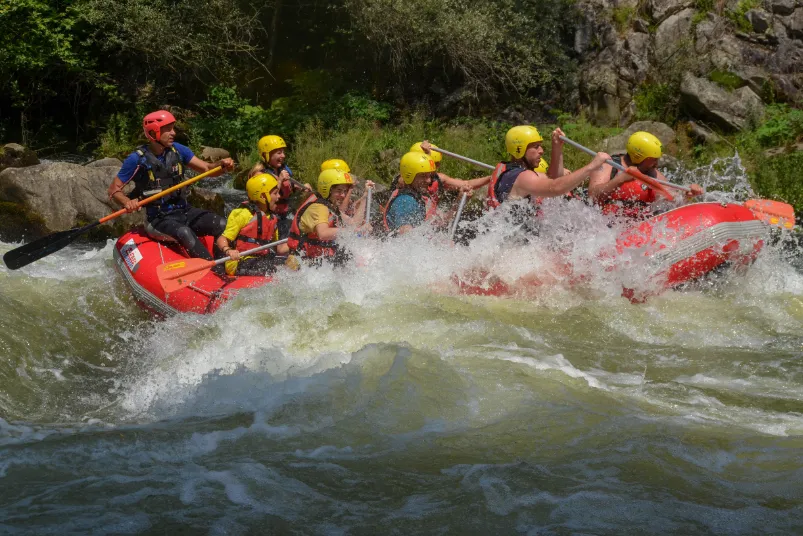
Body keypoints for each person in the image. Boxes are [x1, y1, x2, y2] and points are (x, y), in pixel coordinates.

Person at [108, 110, 234, 261]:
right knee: (184, 232)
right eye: (168, 129)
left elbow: (207, 169)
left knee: (222, 224)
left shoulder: (178, 150)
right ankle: (213, 269)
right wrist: (127, 202)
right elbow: (114, 190)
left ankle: (225, 265)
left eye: (173, 128)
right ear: (153, 132)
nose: (173, 133)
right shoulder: (136, 159)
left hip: (184, 211)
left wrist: (221, 166)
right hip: (158, 219)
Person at [486, 126, 610, 208]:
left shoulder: (510, 172)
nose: (541, 151)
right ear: (520, 150)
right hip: (517, 245)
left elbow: (552, 178)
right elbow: (556, 188)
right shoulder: (522, 177)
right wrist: (591, 167)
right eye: (535, 147)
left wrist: (557, 147)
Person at [588, 131, 704, 218]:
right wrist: (619, 180)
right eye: (653, 160)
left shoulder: (652, 173)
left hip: (640, 228)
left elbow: (672, 199)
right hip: (606, 225)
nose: (656, 164)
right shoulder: (609, 166)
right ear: (639, 157)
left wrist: (687, 195)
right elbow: (593, 197)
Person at [288, 168, 371, 264]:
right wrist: (356, 230)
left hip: (318, 260)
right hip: (304, 262)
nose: (343, 195)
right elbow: (323, 233)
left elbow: (354, 223)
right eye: (339, 191)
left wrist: (365, 196)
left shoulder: (330, 207)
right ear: (327, 189)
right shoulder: (319, 208)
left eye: (345, 191)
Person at [216, 173, 290, 276]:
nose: (278, 196)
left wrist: (297, 241)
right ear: (263, 196)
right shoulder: (243, 214)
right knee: (269, 267)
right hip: (239, 262)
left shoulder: (272, 218)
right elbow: (221, 239)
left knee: (291, 263)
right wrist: (228, 250)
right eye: (275, 193)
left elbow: (278, 249)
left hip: (261, 260)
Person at [382, 151, 468, 236]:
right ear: (410, 176)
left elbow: (442, 222)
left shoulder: (421, 197)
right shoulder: (406, 201)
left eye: (429, 175)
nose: (429, 180)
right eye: (423, 176)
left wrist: (460, 201)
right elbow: (406, 235)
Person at [249, 135, 310, 238]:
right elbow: (266, 196)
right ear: (266, 155)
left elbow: (289, 187)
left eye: (283, 152)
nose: (283, 155)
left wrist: (302, 187)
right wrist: (280, 180)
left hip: (285, 214)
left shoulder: (281, 169)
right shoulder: (259, 175)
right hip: (270, 216)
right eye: (279, 153)